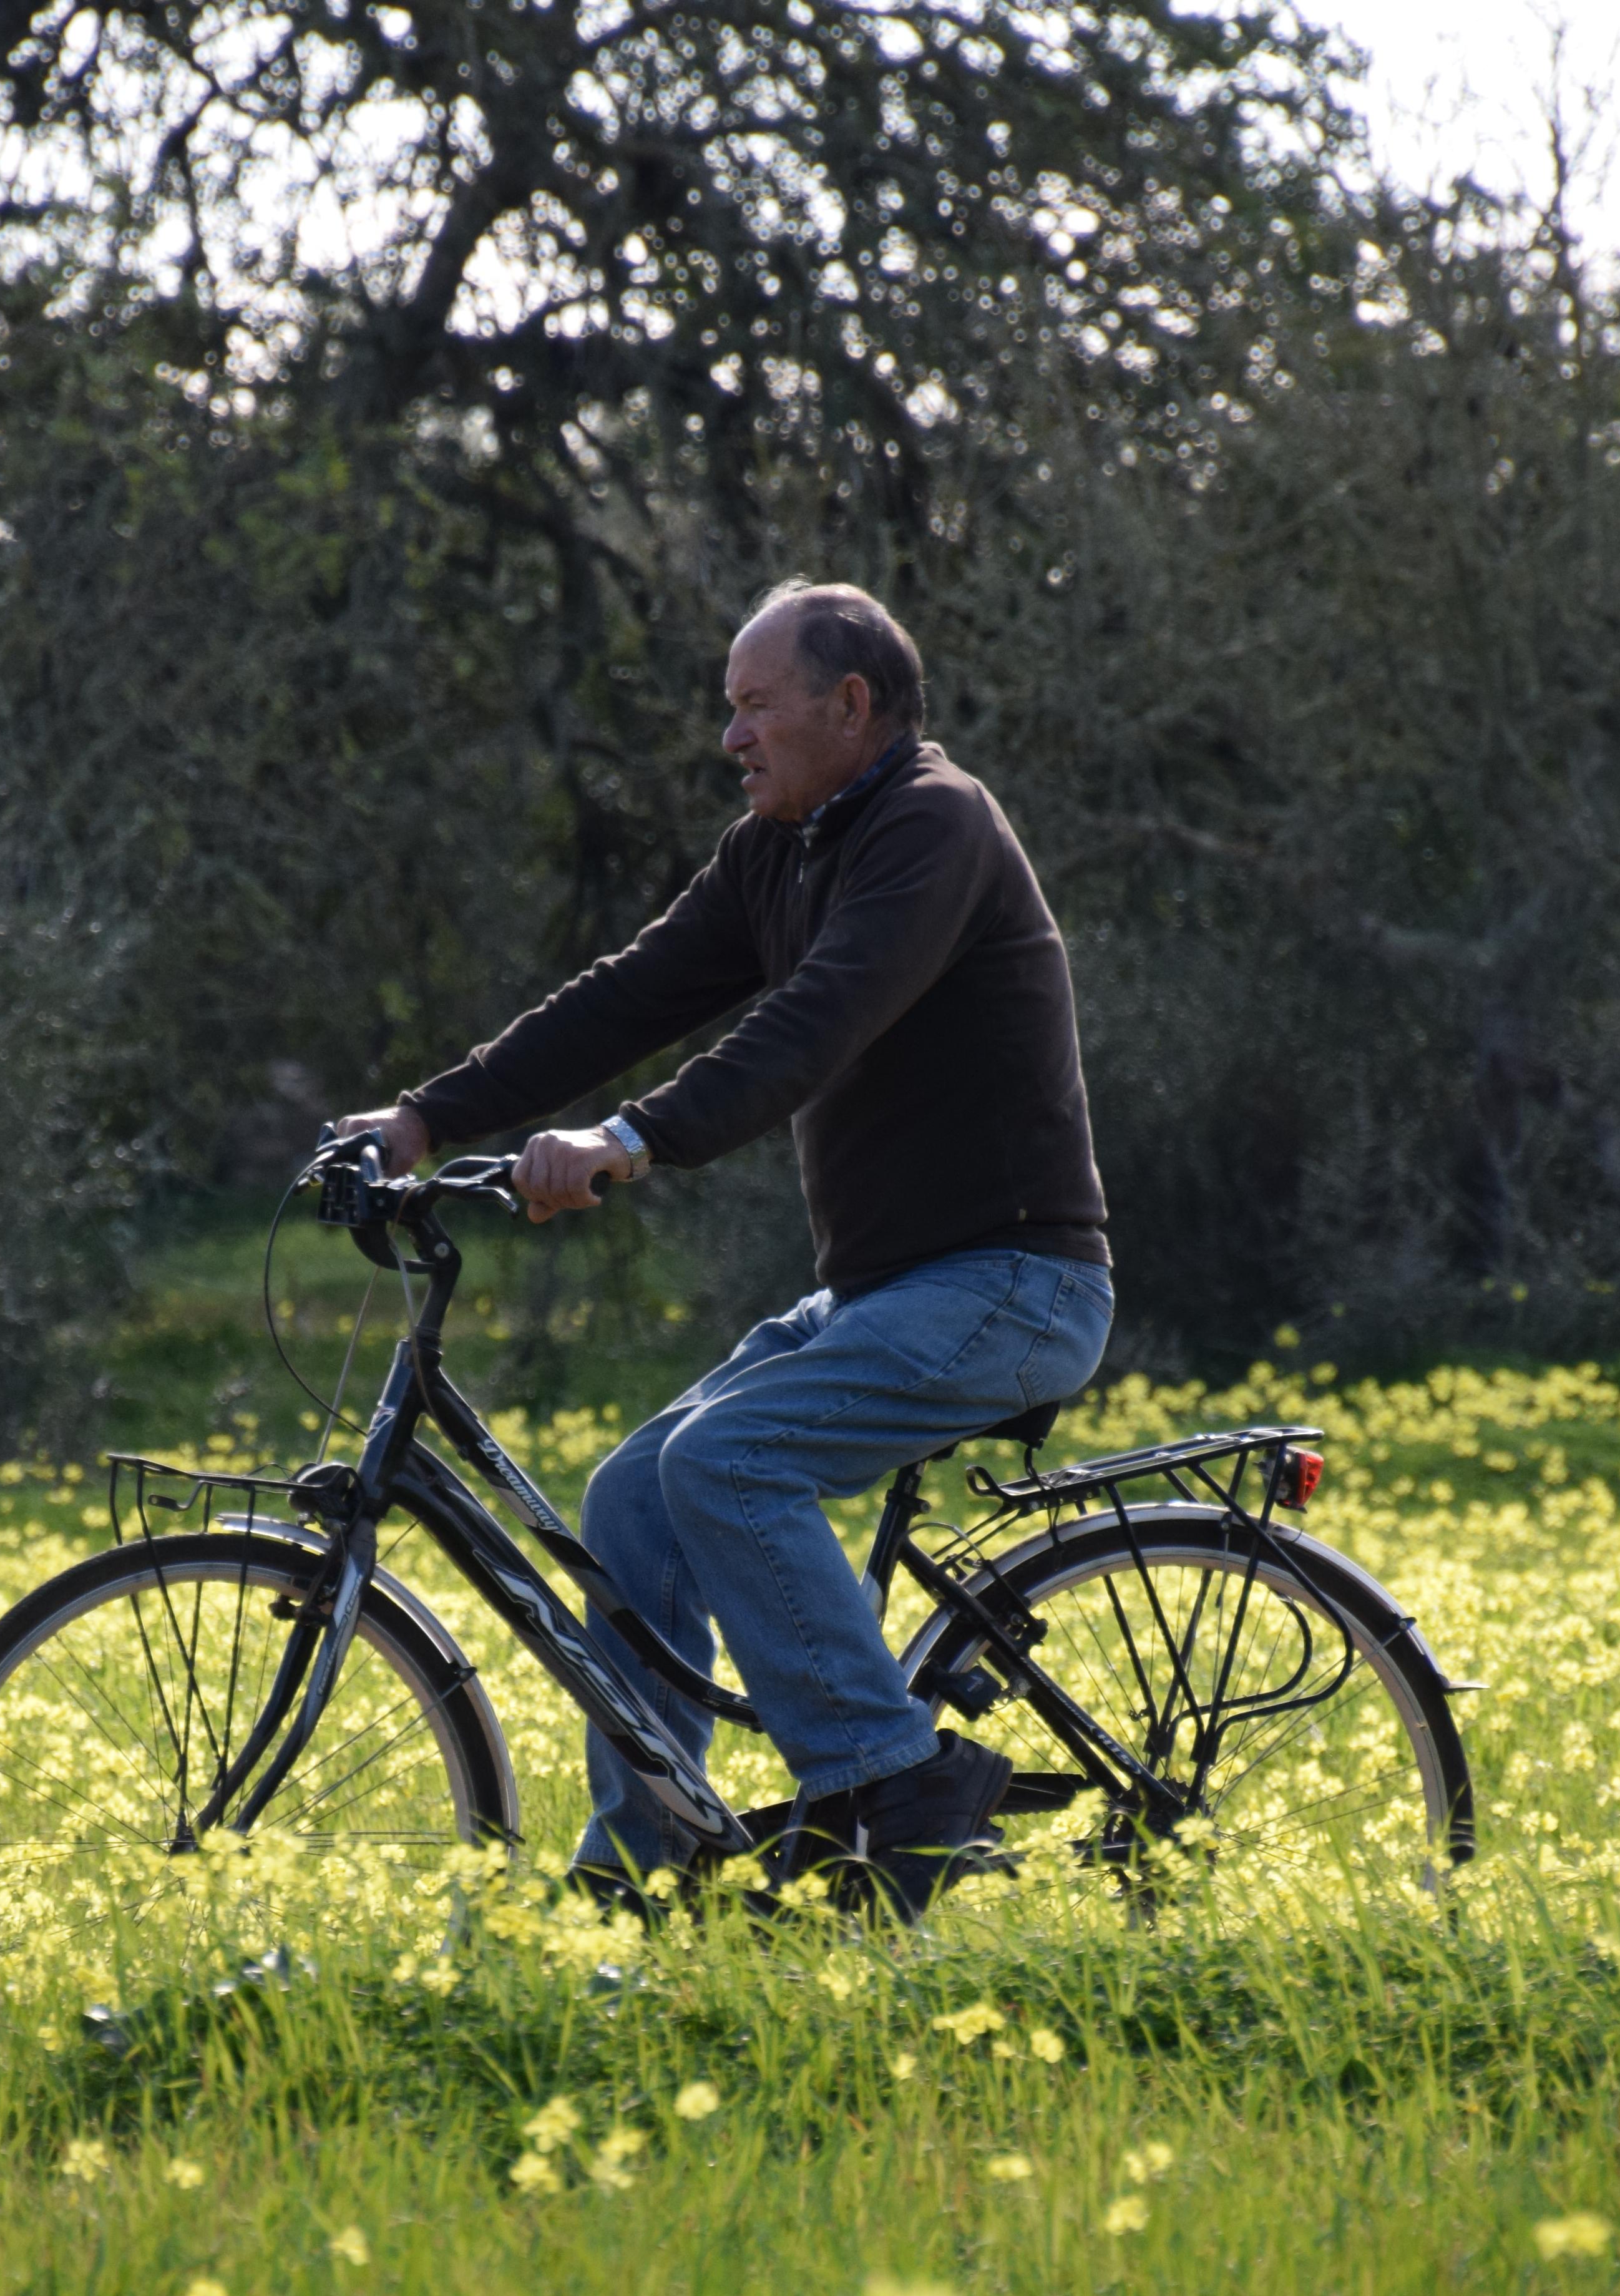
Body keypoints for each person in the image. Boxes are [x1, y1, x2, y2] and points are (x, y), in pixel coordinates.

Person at [337, 580, 1113, 1917]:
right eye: (729, 710)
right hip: (889, 1290)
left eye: (756, 706)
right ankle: (650, 1864)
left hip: (1015, 1283)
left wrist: (632, 1139)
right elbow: (629, 996)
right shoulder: (779, 849)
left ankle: (891, 1786)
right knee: (637, 1493)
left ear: (849, 704)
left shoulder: (933, 827)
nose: (731, 738)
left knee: (727, 1458)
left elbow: (819, 1018)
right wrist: (423, 1118)